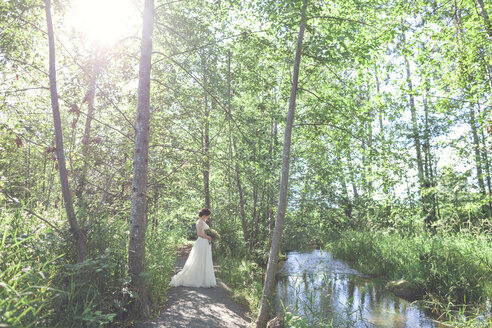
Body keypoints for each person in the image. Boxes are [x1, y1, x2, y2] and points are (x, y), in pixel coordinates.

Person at [170, 208, 217, 288]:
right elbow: (199, 234)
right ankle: (196, 279)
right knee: (199, 260)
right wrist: (208, 237)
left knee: (204, 260)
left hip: (205, 243)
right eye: (208, 216)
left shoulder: (203, 222)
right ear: (205, 215)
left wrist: (210, 236)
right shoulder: (200, 222)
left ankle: (204, 279)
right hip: (201, 242)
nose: (208, 217)